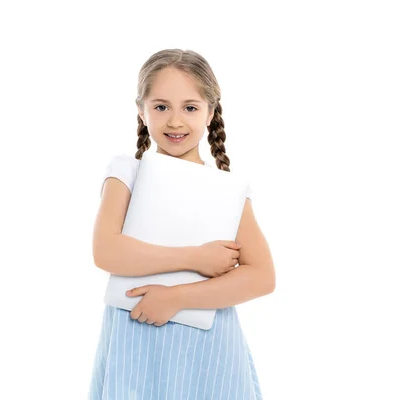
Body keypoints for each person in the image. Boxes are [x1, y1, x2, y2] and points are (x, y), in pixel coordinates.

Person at [89, 49, 275, 400]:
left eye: (190, 107)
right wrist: (194, 258)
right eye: (161, 107)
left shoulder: (228, 191)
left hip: (210, 351)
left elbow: (262, 276)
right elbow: (107, 251)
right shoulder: (126, 173)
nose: (175, 121)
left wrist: (177, 298)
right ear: (141, 111)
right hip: (135, 344)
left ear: (210, 113)